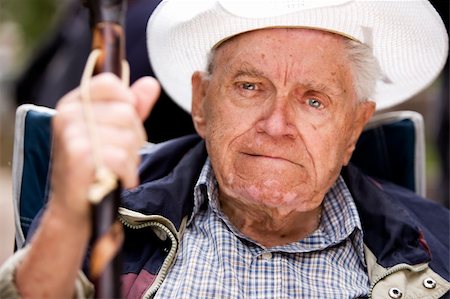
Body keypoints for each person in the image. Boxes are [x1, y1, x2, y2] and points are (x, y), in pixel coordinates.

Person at [1, 0, 449, 298]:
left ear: (353, 127)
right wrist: (66, 212)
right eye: (250, 87)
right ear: (202, 103)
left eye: (314, 100)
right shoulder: (102, 213)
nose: (277, 125)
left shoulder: (438, 248)